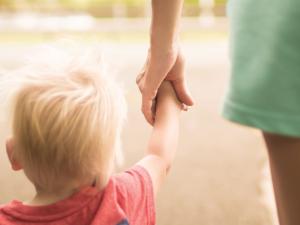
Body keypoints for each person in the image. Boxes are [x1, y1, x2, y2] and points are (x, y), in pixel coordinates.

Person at [138, 0, 300, 225]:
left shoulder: (120, 194)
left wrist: (163, 46)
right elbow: (158, 157)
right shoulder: (124, 192)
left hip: (278, 22)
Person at [0, 49, 182, 225]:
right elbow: (159, 158)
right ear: (105, 163)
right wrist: (166, 83)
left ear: (13, 153)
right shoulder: (118, 199)